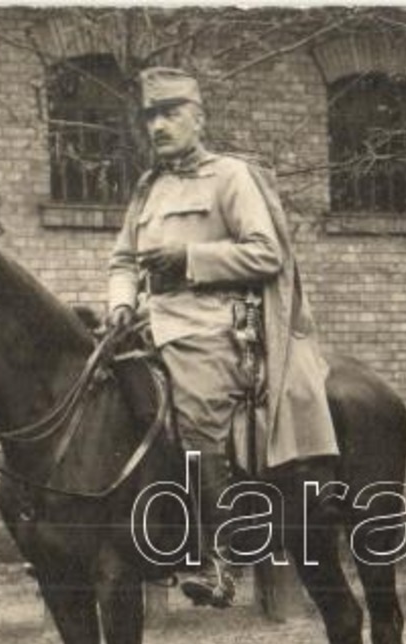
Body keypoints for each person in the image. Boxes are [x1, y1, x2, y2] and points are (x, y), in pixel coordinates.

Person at [107, 67, 338, 607]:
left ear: (198, 118)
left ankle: (217, 555)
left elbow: (267, 253)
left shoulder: (231, 177)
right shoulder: (148, 189)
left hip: (213, 324)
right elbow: (121, 260)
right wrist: (119, 303)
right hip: (147, 321)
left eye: (170, 114)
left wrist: (190, 258)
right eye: (151, 116)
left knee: (194, 409)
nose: (159, 126)